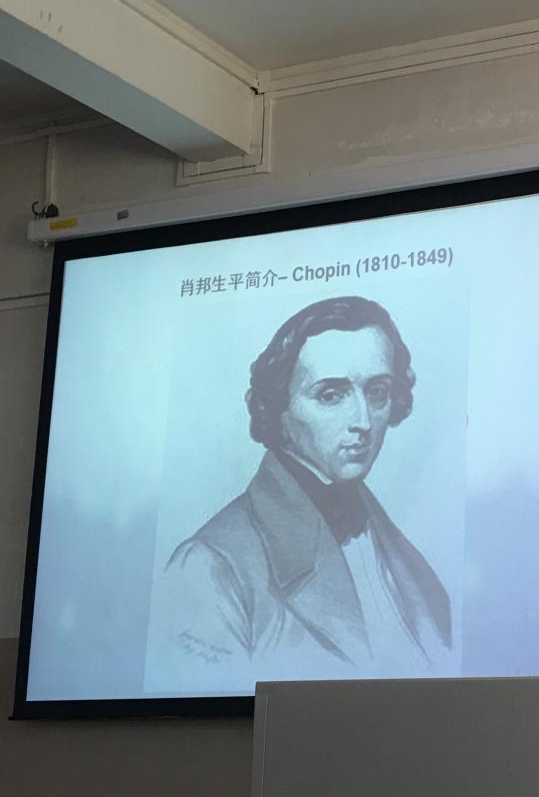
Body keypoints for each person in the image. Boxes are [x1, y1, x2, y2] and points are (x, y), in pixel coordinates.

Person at [145, 295, 451, 692]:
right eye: (331, 395)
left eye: (377, 392)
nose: (362, 422)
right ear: (279, 408)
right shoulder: (210, 566)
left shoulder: (405, 558)